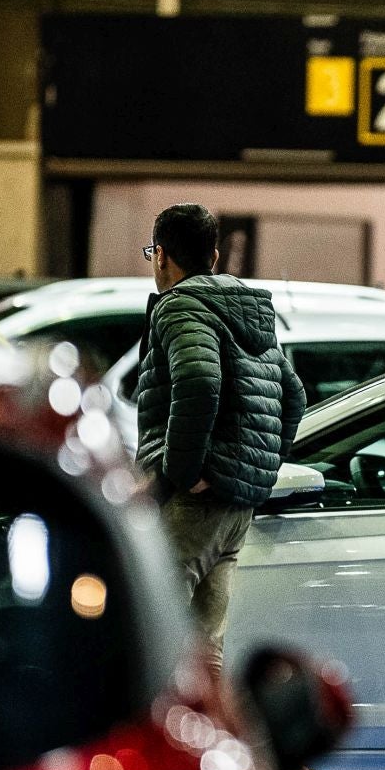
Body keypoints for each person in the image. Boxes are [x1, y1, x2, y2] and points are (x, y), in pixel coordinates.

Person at [136, 203, 307, 677]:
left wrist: (185, 472)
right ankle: (209, 746)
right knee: (204, 650)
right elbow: (293, 396)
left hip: (194, 506)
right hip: (236, 508)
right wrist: (257, 470)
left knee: (150, 635)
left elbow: (198, 380)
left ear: (162, 256)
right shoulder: (249, 310)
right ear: (214, 256)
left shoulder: (180, 306)